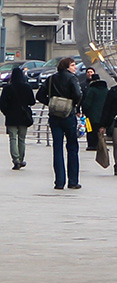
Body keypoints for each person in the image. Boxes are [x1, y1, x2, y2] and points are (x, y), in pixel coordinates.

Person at [35, 57, 84, 190]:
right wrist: (72, 104)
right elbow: (78, 94)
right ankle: (73, 181)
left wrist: (52, 103)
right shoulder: (72, 78)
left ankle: (59, 181)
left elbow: (39, 95)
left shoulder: (51, 78)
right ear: (67, 67)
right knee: (72, 147)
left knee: (57, 148)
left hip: (54, 115)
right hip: (69, 115)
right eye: (73, 65)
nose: (75, 67)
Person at [1, 66, 35, 170]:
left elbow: (2, 103)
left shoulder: (7, 88)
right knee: (21, 139)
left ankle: (15, 159)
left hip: (11, 116)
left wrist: (7, 112)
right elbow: (32, 102)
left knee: (12, 138)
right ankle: (21, 158)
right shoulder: (27, 87)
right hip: (24, 117)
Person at [81, 70, 107, 152]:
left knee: (90, 130)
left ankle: (92, 145)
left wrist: (84, 110)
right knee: (101, 130)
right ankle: (101, 145)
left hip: (91, 115)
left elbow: (87, 103)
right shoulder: (106, 90)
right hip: (103, 115)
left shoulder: (92, 90)